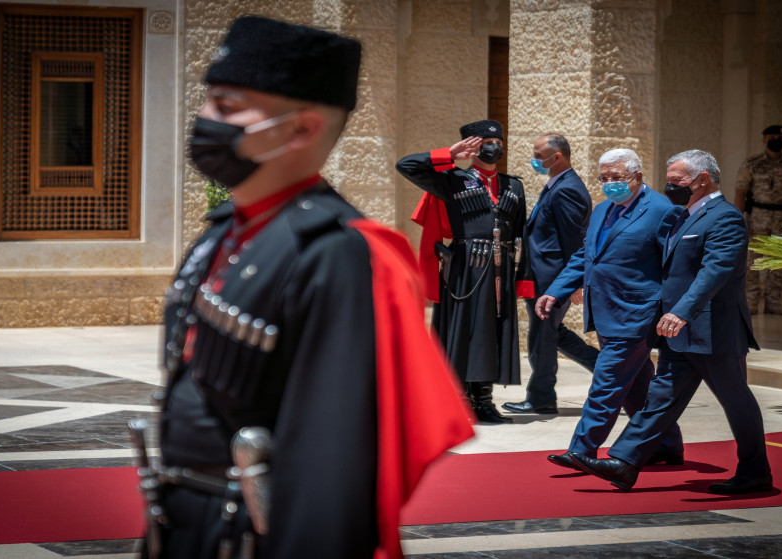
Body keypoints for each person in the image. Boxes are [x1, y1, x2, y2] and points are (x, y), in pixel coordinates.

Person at [152, 16, 474, 559]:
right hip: (190, 520)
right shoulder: (230, 228)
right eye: (208, 104)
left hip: (255, 533)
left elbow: (334, 464)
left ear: (301, 129)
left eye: (227, 108)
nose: (205, 121)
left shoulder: (338, 254)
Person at [571, 150, 773, 495]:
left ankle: (756, 473)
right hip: (679, 333)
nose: (670, 187)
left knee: (736, 401)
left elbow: (715, 272)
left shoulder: (725, 217)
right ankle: (624, 462)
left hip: (712, 330)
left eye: (677, 181)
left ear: (702, 180)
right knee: (660, 398)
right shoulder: (683, 215)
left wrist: (681, 311)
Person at [537, 149, 684, 471]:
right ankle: (668, 444)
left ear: (638, 177)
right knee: (637, 384)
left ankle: (581, 449)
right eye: (604, 178)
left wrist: (672, 309)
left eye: (616, 178)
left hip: (638, 313)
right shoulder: (602, 210)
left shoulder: (662, 210)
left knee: (606, 383)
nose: (609, 184)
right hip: (604, 311)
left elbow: (676, 266)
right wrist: (556, 291)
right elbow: (584, 256)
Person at [397, 121, 531, 424]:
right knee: (466, 330)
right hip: (467, 266)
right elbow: (406, 166)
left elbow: (523, 232)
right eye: (487, 140)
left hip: (502, 266)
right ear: (473, 145)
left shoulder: (514, 186)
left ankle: (484, 400)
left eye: (499, 140)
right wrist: (449, 154)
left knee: (494, 331)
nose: (495, 145)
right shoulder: (452, 179)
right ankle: (460, 400)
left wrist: (523, 278)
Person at [503, 134, 592, 415]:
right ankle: (617, 372)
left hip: (552, 280)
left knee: (542, 336)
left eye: (539, 155)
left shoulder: (567, 189)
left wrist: (573, 283)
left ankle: (540, 397)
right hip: (545, 277)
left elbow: (574, 241)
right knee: (555, 334)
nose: (535, 159)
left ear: (557, 157)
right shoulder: (557, 186)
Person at [735, 125, 782, 314]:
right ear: (764, 139)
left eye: (779, 136)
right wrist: (737, 219)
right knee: (752, 261)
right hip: (757, 217)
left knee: (779, 261)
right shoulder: (752, 164)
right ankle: (750, 300)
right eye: (772, 136)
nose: (776, 139)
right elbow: (740, 193)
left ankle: (773, 301)